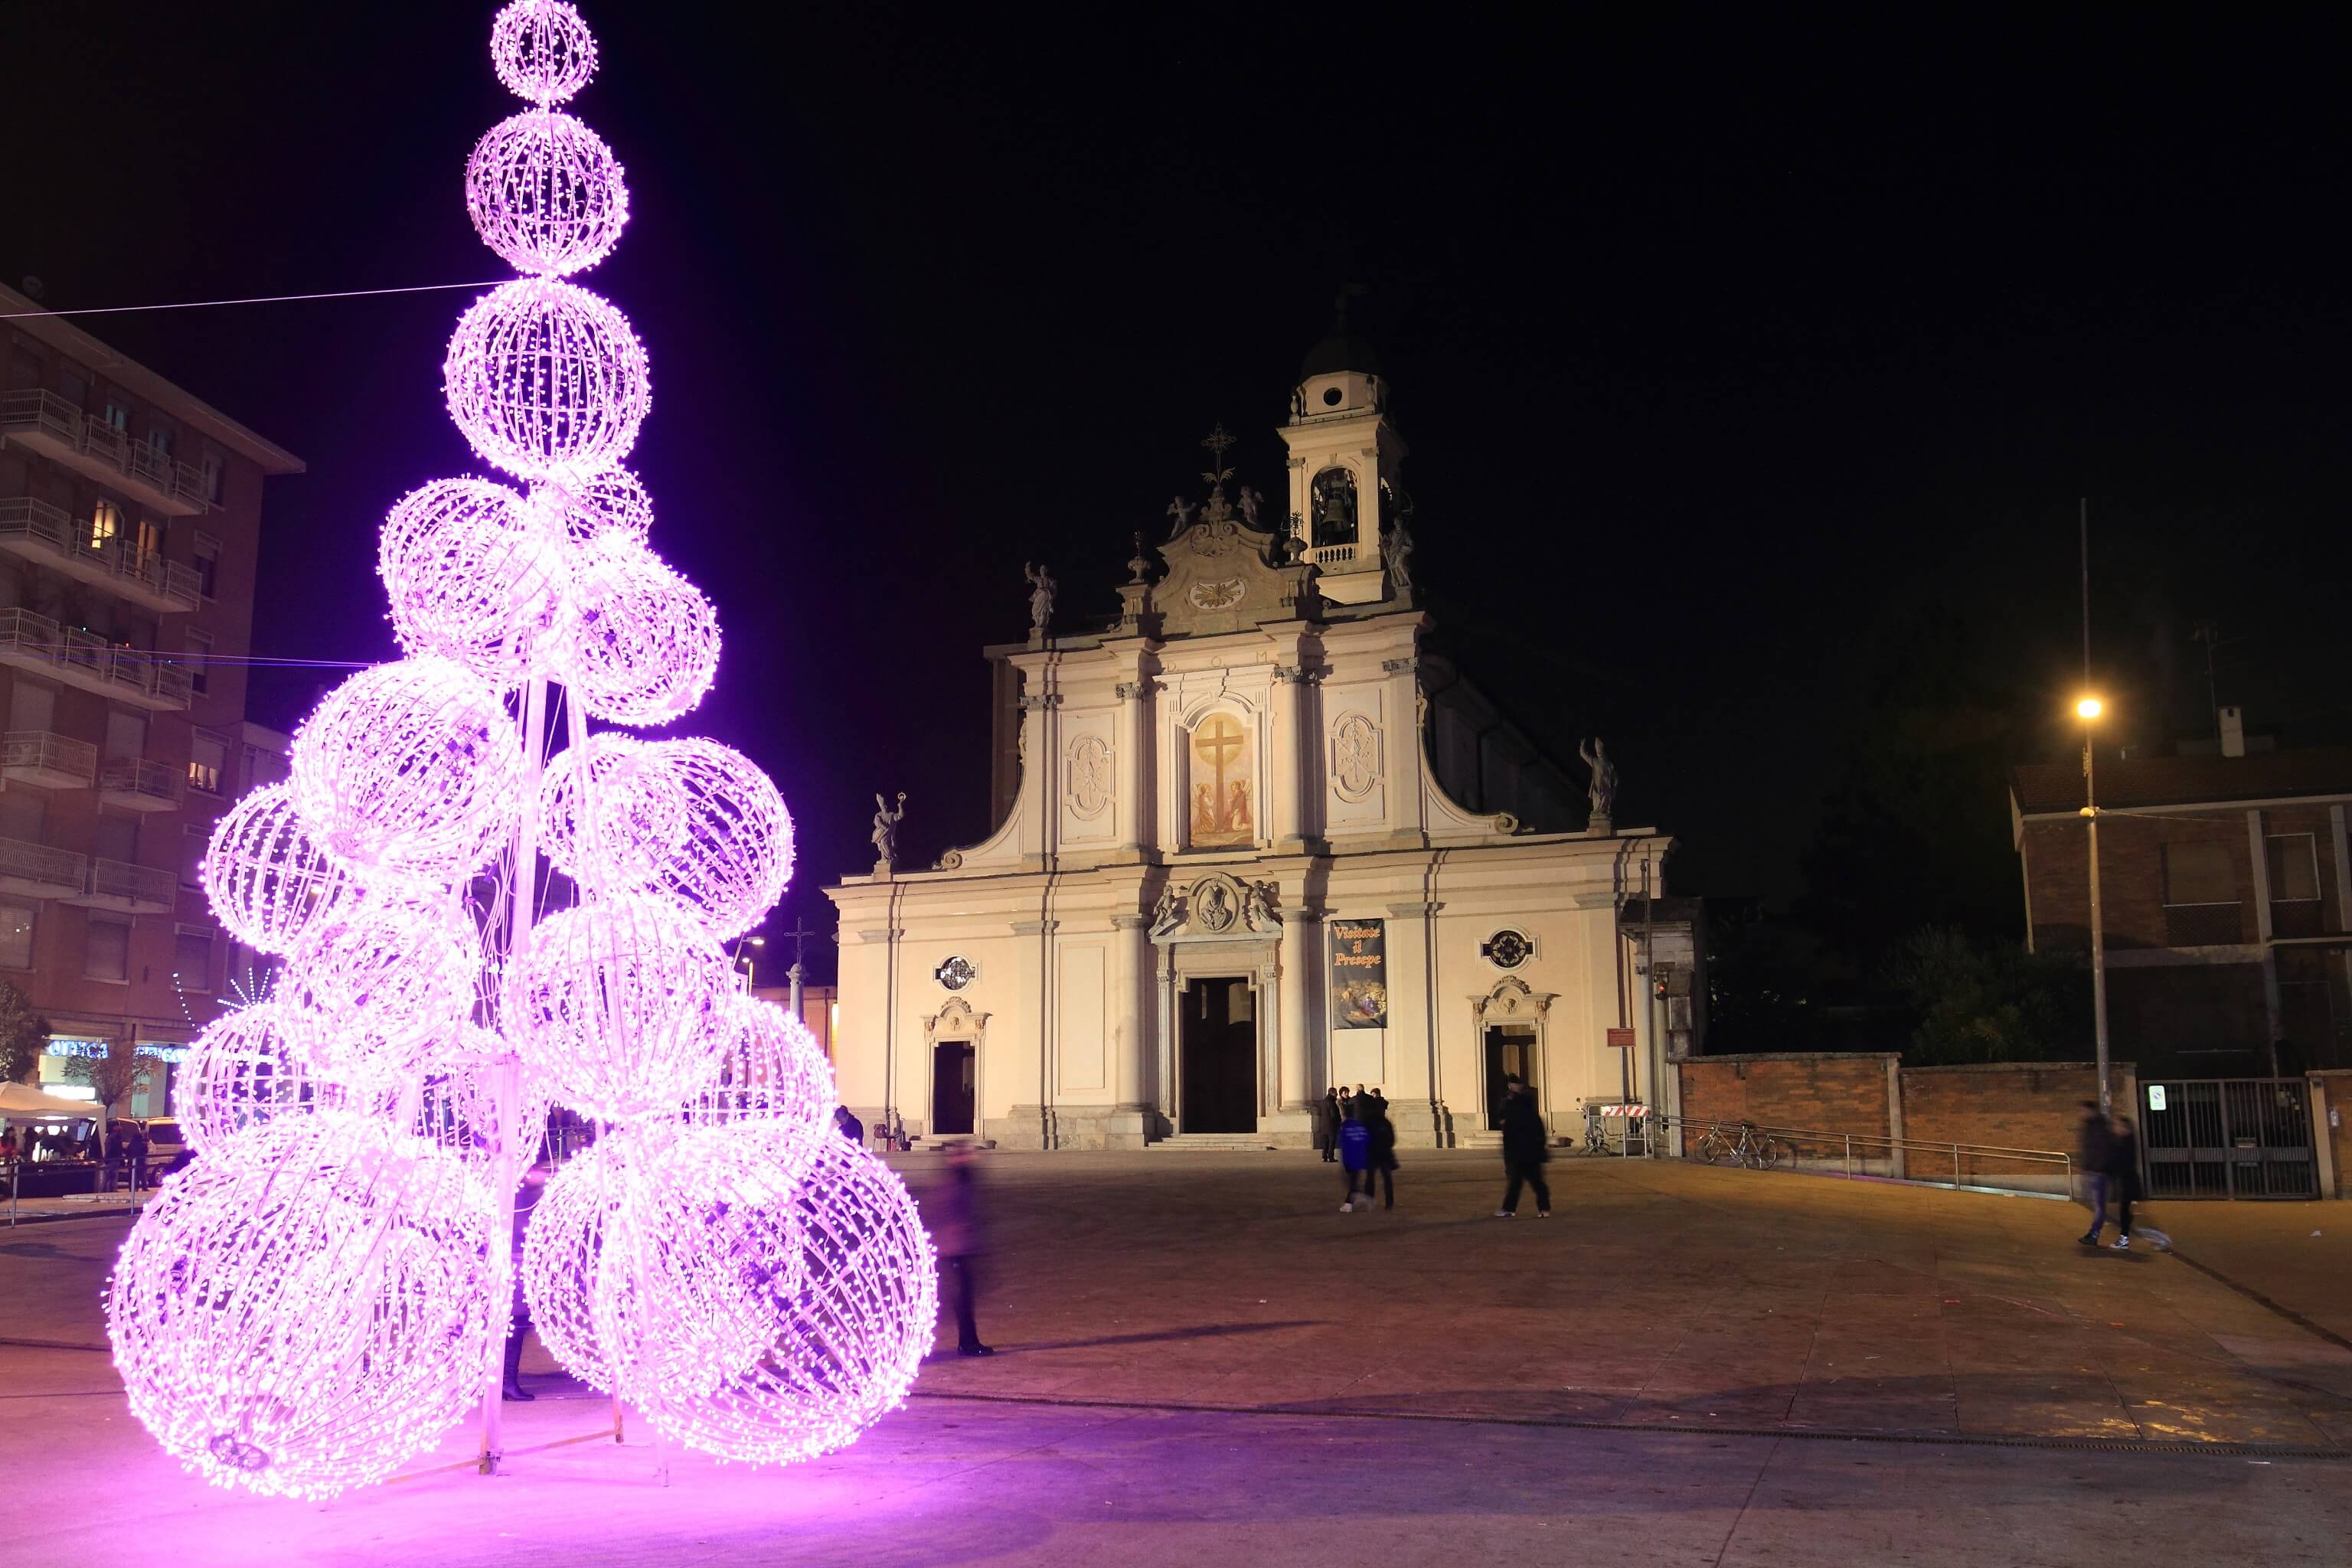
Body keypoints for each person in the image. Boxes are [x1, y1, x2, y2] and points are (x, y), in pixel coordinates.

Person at [929, 1143, 994, 1356]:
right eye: (965, 1155)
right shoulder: (954, 1182)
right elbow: (947, 1213)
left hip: (960, 1247)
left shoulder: (963, 1179)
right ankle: (968, 1343)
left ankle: (968, 1341)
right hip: (955, 1250)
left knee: (965, 1298)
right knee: (963, 1298)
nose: (971, 1158)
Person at [503, 1155, 554, 1401]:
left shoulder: (526, 1195)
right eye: (539, 1170)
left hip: (520, 1267)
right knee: (515, 1326)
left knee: (516, 1327)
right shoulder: (520, 1198)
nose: (544, 1174)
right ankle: (507, 1383)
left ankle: (506, 1382)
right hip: (516, 1268)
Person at [1495, 1076, 1553, 1218]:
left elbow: (1508, 1138)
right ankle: (1544, 1209)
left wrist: (1508, 1157)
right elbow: (1540, 1134)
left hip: (1519, 1154)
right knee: (1537, 1183)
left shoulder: (1512, 1117)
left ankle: (1509, 1209)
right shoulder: (1533, 1116)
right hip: (1532, 1153)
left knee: (1516, 1183)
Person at [2076, 1100, 2116, 1247]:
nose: (2081, 1114)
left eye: (2083, 1111)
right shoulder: (2090, 1126)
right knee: (2097, 1205)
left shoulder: (2100, 1127)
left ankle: (2094, 1234)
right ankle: (2093, 1233)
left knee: (2099, 1206)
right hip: (2093, 1171)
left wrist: (2098, 1169)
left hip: (2099, 1173)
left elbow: (2103, 1150)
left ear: (2091, 1111)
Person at [2104, 1115, 2145, 1251]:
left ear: (2124, 1128)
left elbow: (2122, 1163)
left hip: (2129, 1182)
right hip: (2128, 1181)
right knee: (2125, 1212)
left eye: (2118, 1126)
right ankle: (2124, 1237)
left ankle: (2124, 1239)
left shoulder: (2127, 1142)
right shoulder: (2126, 1140)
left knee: (2124, 1212)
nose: (2116, 1128)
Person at [1358, 1093, 1398, 1210]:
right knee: (1386, 1179)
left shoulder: (1367, 1122)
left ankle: (1369, 1201)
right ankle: (1389, 1203)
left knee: (1370, 1179)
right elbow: (1392, 1140)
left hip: (1372, 1154)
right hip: (1384, 1154)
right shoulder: (1385, 1122)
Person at [1337, 1099, 1372, 1211]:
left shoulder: (1345, 1126)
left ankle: (1350, 1203)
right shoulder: (1360, 1125)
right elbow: (1367, 1140)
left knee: (1350, 1181)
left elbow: (1343, 1143)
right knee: (1353, 1181)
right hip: (1361, 1158)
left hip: (1350, 1159)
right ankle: (1355, 1198)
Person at [1318, 1088, 1341, 1161]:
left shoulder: (1322, 1102)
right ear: (1332, 1093)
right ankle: (1330, 1157)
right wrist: (1339, 1121)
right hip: (1332, 1125)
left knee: (1325, 1142)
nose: (1337, 1094)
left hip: (1323, 1124)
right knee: (1332, 1142)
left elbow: (1319, 1113)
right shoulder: (1332, 1102)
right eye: (1336, 1093)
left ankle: (1324, 1156)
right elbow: (1334, 1115)